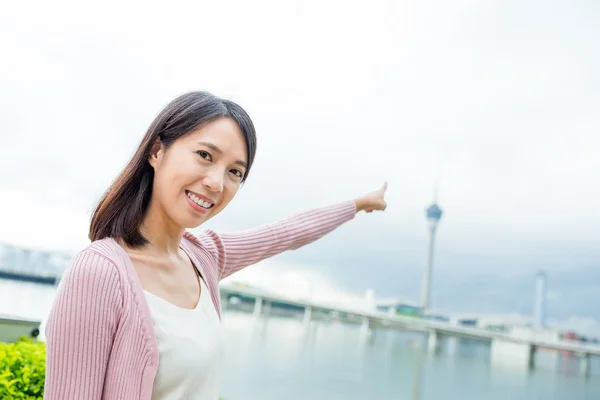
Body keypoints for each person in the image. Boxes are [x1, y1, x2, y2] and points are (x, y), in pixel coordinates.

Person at [43, 91, 387, 400]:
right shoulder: (98, 273)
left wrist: (357, 204)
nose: (216, 183)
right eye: (205, 155)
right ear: (157, 151)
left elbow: (287, 232)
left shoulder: (203, 257)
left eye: (235, 172)